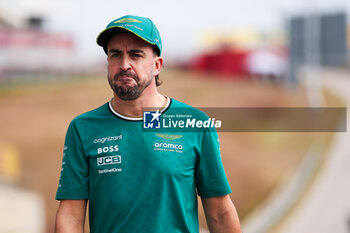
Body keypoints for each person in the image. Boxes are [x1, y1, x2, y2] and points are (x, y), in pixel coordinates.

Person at [54, 15, 242, 233]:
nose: (125, 65)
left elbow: (219, 211)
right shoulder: (83, 128)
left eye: (136, 55)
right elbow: (70, 214)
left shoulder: (195, 124)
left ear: (157, 65)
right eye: (116, 54)